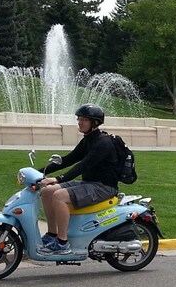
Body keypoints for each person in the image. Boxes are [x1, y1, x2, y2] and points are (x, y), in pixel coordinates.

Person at [36, 104, 119, 255]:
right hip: (89, 183)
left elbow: (83, 166)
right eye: (79, 119)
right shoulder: (88, 139)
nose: (80, 122)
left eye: (84, 119)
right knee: (47, 191)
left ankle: (62, 243)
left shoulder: (103, 142)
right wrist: (39, 172)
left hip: (103, 187)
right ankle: (52, 234)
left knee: (59, 196)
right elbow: (68, 160)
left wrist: (58, 178)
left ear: (94, 122)